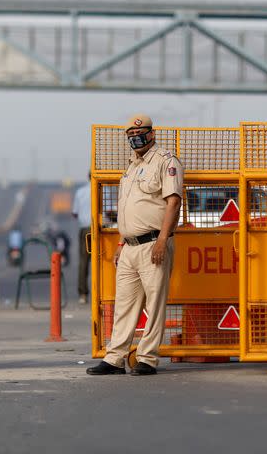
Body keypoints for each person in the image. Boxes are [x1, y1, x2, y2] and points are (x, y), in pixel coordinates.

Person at [86, 114, 183, 376]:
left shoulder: (165, 161)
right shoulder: (129, 167)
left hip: (154, 244)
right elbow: (127, 209)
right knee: (125, 305)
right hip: (128, 247)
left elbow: (173, 202)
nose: (135, 138)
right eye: (130, 134)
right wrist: (120, 243)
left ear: (151, 134)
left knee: (154, 304)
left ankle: (148, 358)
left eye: (140, 133)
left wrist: (163, 240)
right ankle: (115, 358)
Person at [72, 173, 91, 304]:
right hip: (100, 230)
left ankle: (82, 294)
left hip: (85, 229)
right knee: (102, 261)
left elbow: (75, 212)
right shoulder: (102, 189)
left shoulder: (80, 192)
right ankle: (101, 290)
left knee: (83, 262)